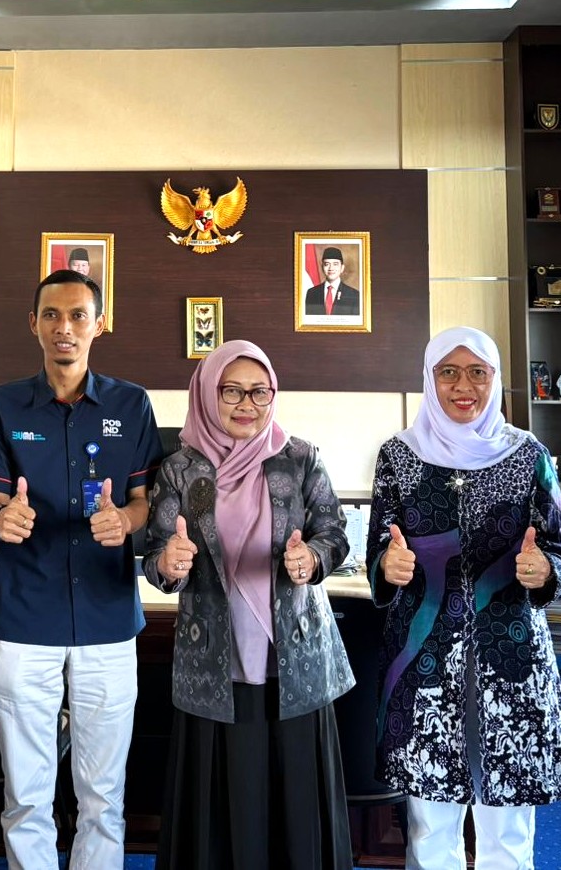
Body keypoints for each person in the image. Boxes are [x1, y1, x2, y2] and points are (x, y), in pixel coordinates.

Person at [0, 269, 163, 870]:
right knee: (27, 793)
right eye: (51, 315)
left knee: (103, 794)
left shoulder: (131, 404)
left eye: (78, 315)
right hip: (25, 616)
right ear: (34, 324)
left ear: (100, 324)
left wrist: (125, 522)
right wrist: (3, 516)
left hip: (107, 617)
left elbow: (143, 501)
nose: (64, 328)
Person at [367, 326, 561, 870]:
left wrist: (544, 568)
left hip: (511, 659)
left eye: (478, 372)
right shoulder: (399, 456)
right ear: (429, 379)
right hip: (425, 661)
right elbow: (378, 549)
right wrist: (388, 565)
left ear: (496, 379)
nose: (464, 386)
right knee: (430, 827)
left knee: (508, 825)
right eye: (449, 372)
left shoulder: (528, 454)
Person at [142, 340, 354, 870]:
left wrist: (312, 559)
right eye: (231, 391)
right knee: (220, 802)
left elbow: (333, 533)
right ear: (206, 394)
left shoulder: (300, 458)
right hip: (214, 662)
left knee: (296, 799)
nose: (246, 404)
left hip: (294, 662)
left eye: (260, 392)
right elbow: (157, 557)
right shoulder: (180, 469)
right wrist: (168, 562)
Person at [303, 246, 360, 316]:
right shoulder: (311, 293)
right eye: (327, 264)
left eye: (335, 264)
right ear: (322, 267)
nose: (331, 268)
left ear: (342, 268)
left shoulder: (354, 295)